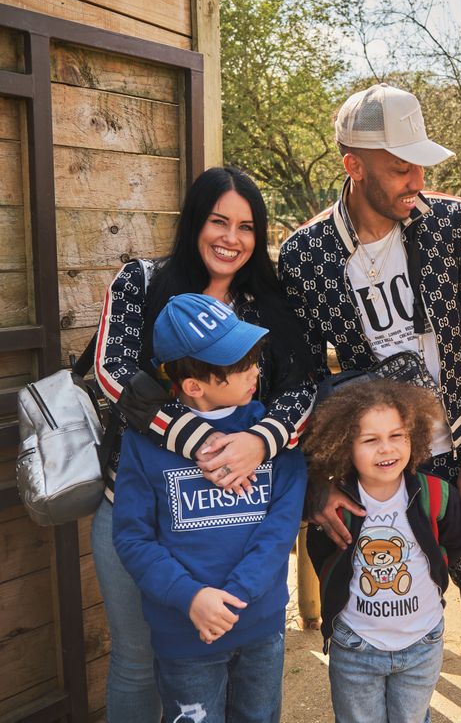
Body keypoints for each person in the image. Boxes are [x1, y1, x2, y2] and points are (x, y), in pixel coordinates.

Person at [279, 83, 461, 721]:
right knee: (374, 593)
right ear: (353, 165)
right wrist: (319, 481)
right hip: (374, 463)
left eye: (420, 164)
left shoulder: (454, 227)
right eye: (399, 165)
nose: (416, 178)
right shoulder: (305, 258)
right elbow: (300, 381)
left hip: (457, 449)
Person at [92, 166, 315, 722]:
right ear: (196, 221)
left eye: (246, 227)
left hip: (238, 519)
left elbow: (304, 388)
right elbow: (112, 371)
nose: (231, 238)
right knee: (138, 661)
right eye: (219, 221)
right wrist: (202, 440)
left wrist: (260, 443)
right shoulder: (143, 282)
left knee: (246, 674)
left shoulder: (268, 304)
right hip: (140, 508)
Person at [113, 293, 307, 723]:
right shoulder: (143, 445)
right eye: (239, 365)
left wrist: (235, 597)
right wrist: (192, 598)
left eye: (254, 357)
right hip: (186, 634)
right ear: (194, 386)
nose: (256, 369)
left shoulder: (273, 437)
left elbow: (281, 529)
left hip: (260, 627)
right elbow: (132, 537)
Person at [304, 379, 461, 723]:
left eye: (397, 436)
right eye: (370, 440)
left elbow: (455, 542)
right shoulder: (337, 506)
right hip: (355, 647)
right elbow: (322, 554)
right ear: (344, 445)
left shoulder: (436, 495)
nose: (387, 449)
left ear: (415, 436)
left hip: (422, 644)